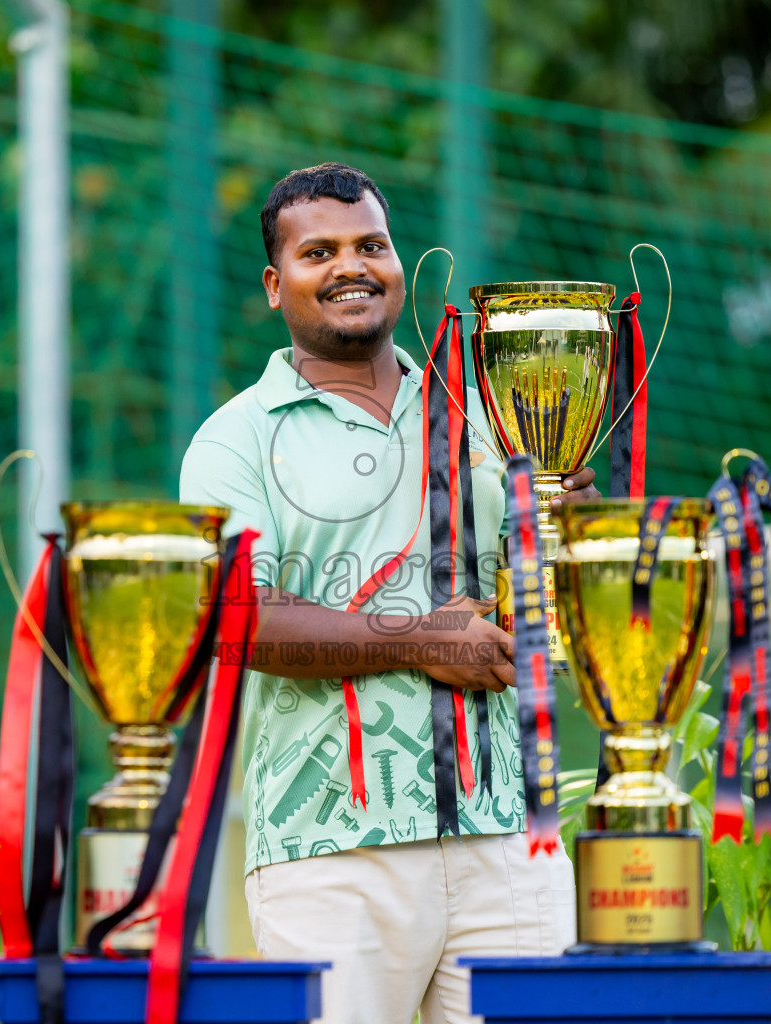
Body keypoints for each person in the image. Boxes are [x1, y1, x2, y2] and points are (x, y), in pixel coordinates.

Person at [180, 162, 599, 1024]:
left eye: (372, 244)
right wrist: (416, 639)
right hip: (328, 850)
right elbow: (232, 621)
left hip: (512, 834)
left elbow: (556, 601)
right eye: (319, 251)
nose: (352, 266)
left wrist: (575, 527)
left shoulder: (489, 409)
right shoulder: (234, 441)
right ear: (274, 285)